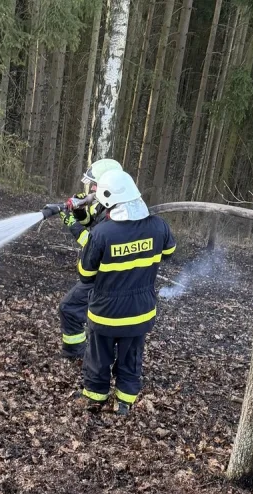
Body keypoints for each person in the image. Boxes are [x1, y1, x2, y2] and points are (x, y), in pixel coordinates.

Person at [73, 169, 176, 415]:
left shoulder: (101, 234)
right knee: (131, 359)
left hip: (106, 314)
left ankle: (95, 399)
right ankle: (124, 404)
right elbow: (169, 252)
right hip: (140, 314)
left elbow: (85, 274)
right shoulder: (158, 226)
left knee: (98, 358)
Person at [50, 158, 124, 360]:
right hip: (105, 274)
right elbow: (90, 221)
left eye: (95, 184)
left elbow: (91, 242)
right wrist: (79, 210)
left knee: (70, 308)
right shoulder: (106, 204)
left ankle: (77, 353)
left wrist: (71, 223)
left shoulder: (115, 213)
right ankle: (85, 353)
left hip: (105, 275)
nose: (91, 188)